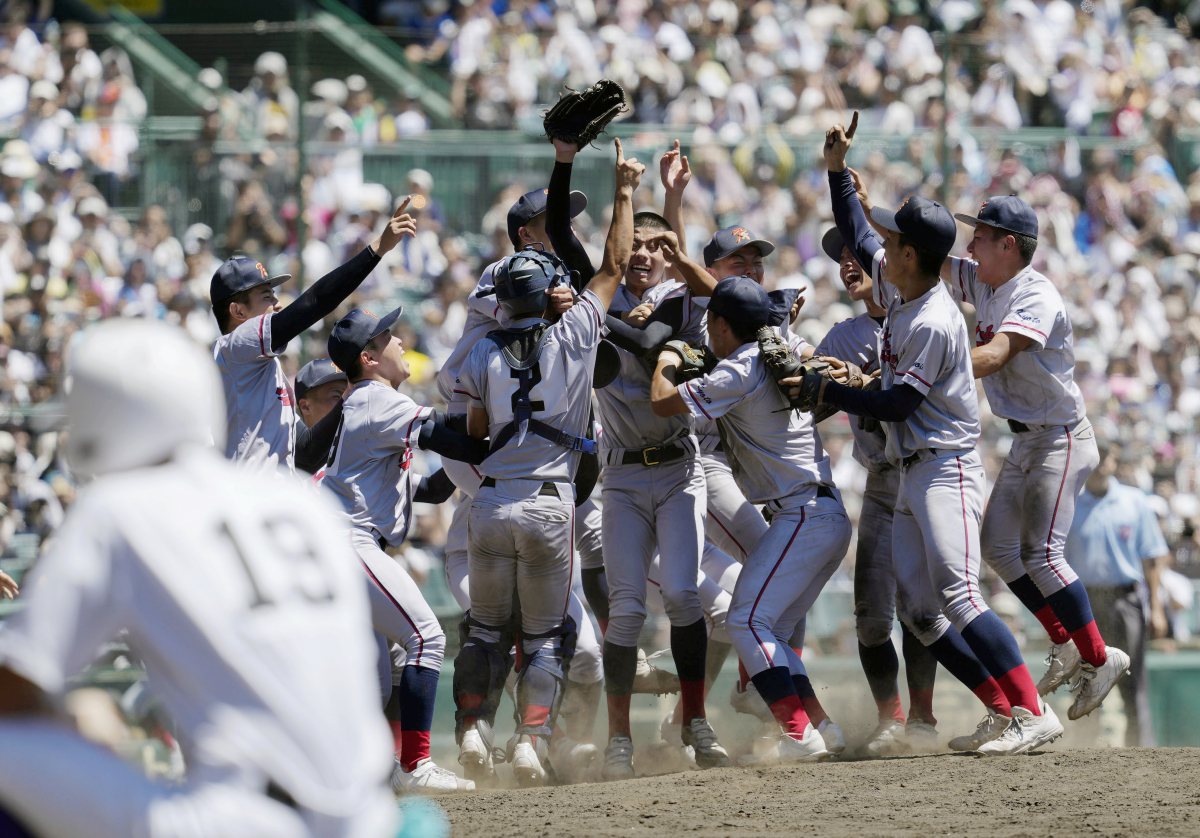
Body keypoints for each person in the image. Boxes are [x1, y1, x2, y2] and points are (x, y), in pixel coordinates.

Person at [0, 320, 398, 838]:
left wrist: (74, 714)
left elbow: (14, 687)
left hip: (247, 821)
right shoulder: (301, 500)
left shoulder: (119, 509)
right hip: (370, 817)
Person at [809, 114, 1062, 755]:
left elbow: (895, 404)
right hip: (912, 468)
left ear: (912, 255)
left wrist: (830, 392)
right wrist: (838, 170)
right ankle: (1005, 710)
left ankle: (1032, 713)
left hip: (945, 465)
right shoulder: (903, 287)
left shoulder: (932, 316)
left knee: (958, 593)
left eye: (893, 244)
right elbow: (857, 228)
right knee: (920, 612)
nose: (880, 249)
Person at [452, 138, 638, 787]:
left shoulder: (481, 353)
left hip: (492, 500)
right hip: (550, 505)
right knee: (542, 638)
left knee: (482, 630)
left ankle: (473, 730)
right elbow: (613, 263)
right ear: (552, 291)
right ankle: (531, 742)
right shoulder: (578, 327)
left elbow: (475, 428)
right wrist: (624, 191)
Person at [550, 142, 731, 779]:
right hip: (623, 477)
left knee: (684, 595)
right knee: (626, 609)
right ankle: (620, 738)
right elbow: (594, 255)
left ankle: (696, 720)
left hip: (680, 468)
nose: (646, 255)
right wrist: (619, 190)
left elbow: (677, 309)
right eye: (639, 246)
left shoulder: (679, 308)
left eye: (659, 247)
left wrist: (672, 203)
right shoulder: (600, 299)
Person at [937, 195, 1129, 720]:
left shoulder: (1036, 293)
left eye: (981, 234)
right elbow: (925, 253)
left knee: (1042, 554)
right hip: (1027, 439)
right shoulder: (985, 278)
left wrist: (928, 368)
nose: (970, 242)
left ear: (1008, 244)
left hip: (1061, 436)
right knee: (999, 548)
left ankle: (1099, 657)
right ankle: (1066, 642)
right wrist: (856, 200)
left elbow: (997, 354)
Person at [649, 275, 851, 763]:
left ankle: (800, 734)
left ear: (720, 323)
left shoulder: (739, 368)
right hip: (824, 512)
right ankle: (822, 725)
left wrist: (668, 358)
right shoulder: (777, 350)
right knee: (772, 630)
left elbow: (661, 402)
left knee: (744, 621)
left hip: (801, 513)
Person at [322, 307, 484, 793]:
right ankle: (416, 765)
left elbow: (430, 489)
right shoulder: (376, 399)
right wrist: (512, 430)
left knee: (382, 671)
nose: (400, 341)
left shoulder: (368, 405)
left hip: (341, 541)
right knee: (427, 639)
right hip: (347, 541)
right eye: (388, 337)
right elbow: (454, 442)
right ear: (368, 358)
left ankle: (373, 771)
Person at [814, 226, 941, 756]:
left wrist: (861, 382)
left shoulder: (919, 318)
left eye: (857, 255)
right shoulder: (841, 336)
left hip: (927, 473)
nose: (848, 264)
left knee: (921, 607)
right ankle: (891, 718)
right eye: (840, 257)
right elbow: (808, 403)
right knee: (870, 616)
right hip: (884, 480)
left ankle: (924, 718)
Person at [211, 198, 414, 476]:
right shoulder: (234, 347)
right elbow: (315, 302)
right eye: (266, 296)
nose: (277, 303)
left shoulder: (262, 369)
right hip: (247, 497)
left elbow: (305, 454)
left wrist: (353, 396)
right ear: (237, 310)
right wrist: (377, 249)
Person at [1065, 440, 1166, 746]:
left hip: (1126, 598)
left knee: (1133, 678)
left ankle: (1141, 745)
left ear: (1113, 461)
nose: (1099, 465)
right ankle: (1085, 746)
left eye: (1105, 458)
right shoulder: (1070, 502)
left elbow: (1151, 559)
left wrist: (1157, 608)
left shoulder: (1134, 501)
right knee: (1086, 678)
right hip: (1083, 600)